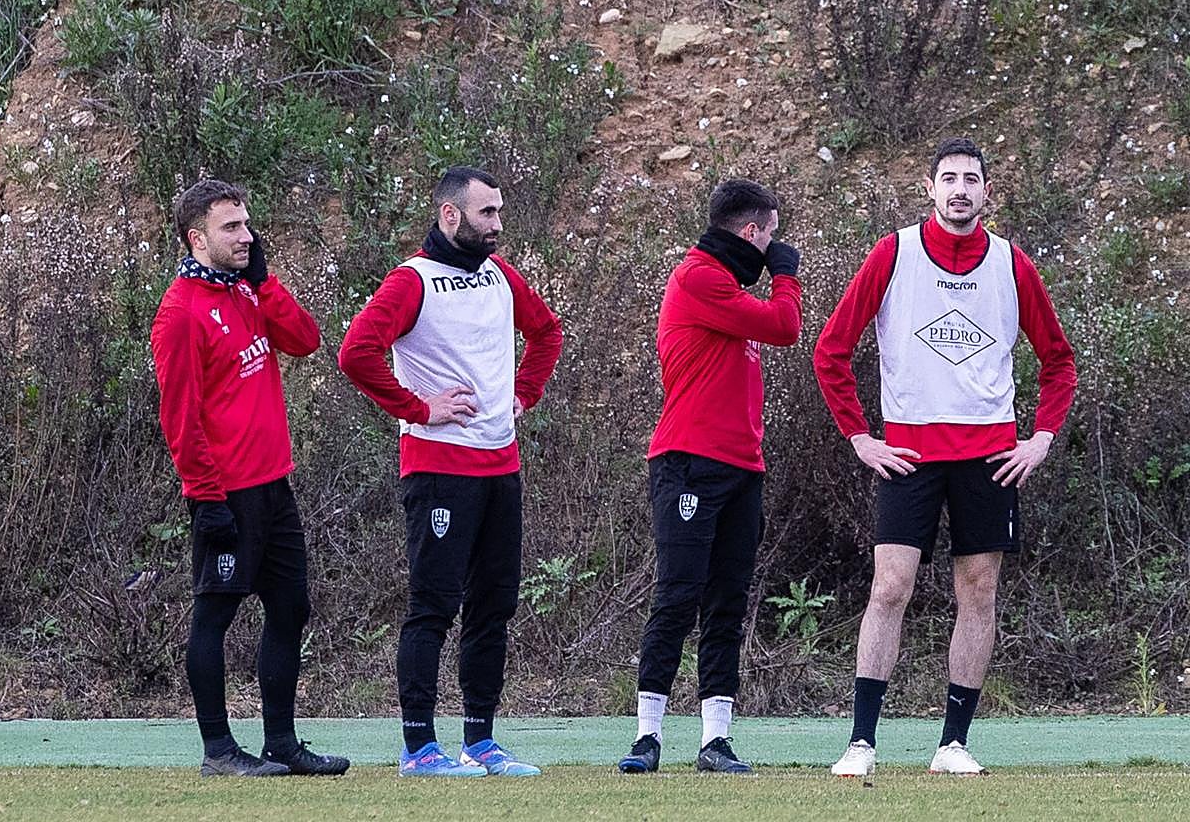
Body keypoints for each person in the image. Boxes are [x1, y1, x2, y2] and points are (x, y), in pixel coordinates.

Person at [814, 137, 1077, 777]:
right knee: (890, 588)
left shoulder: (1013, 264)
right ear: (929, 189)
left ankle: (953, 744)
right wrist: (860, 437)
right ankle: (861, 743)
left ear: (988, 192)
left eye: (971, 179)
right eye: (949, 178)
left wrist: (1039, 440)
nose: (960, 189)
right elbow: (831, 351)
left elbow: (1059, 361)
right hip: (908, 453)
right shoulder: (893, 253)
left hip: (990, 456)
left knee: (978, 592)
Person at [339, 166, 562, 777]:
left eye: (498, 211)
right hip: (438, 467)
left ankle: (481, 742)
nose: (497, 224)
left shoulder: (499, 275)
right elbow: (356, 352)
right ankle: (418, 748)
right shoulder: (412, 282)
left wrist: (523, 394)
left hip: (501, 465)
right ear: (449, 216)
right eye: (485, 213)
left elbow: (546, 334)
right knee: (433, 604)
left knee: (494, 604)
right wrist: (419, 409)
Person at [151, 180, 349, 777]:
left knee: (291, 609)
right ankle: (218, 750)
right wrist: (205, 499)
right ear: (197, 238)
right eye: (231, 228)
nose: (246, 236)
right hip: (226, 495)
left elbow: (307, 341)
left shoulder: (246, 291)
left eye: (247, 224)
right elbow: (179, 417)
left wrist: (264, 282)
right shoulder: (181, 312)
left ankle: (281, 743)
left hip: (274, 487)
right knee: (215, 615)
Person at [616, 179, 803, 775]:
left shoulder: (723, 284)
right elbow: (785, 325)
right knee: (678, 594)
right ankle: (647, 737)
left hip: (742, 466)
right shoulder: (698, 277)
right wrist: (786, 275)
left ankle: (715, 741)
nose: (774, 246)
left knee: (727, 602)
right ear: (751, 232)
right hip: (689, 461)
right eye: (771, 234)